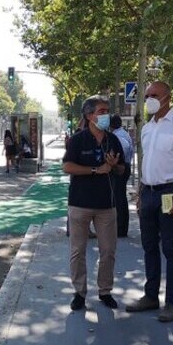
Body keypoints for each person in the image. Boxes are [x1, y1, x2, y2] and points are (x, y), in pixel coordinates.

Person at [126, 81, 173, 322]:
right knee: (148, 246)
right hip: (148, 192)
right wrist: (140, 194)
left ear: (168, 97)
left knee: (170, 248)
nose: (149, 99)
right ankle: (150, 296)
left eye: (153, 95)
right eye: (146, 96)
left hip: (171, 193)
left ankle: (171, 303)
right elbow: (146, 162)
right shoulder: (147, 128)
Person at [63, 96, 125, 311]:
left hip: (107, 206)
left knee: (108, 251)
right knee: (77, 251)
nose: (106, 114)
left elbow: (122, 170)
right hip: (80, 204)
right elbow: (67, 166)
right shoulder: (78, 140)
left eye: (107, 110)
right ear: (89, 115)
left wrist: (115, 166)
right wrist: (94, 170)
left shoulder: (113, 140)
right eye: (101, 111)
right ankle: (79, 293)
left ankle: (105, 291)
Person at [110, 115, 134, 237]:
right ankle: (121, 227)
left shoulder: (118, 136)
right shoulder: (123, 133)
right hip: (125, 166)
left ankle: (120, 228)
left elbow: (124, 149)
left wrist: (117, 159)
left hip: (121, 167)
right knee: (121, 197)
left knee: (119, 198)